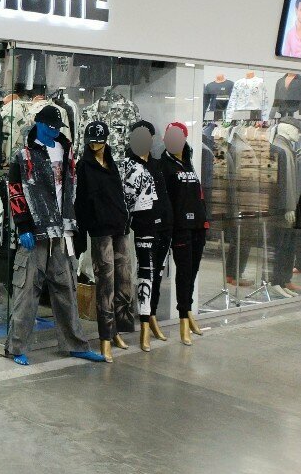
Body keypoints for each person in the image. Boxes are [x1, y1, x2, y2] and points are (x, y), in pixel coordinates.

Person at [6, 105, 106, 366]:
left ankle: (75, 344)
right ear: (39, 124)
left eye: (56, 127)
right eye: (50, 126)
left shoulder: (66, 150)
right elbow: (15, 190)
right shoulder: (23, 154)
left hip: (62, 231)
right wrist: (23, 226)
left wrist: (74, 224)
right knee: (26, 291)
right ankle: (16, 347)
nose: (54, 131)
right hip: (36, 231)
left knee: (66, 289)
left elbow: (72, 190)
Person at [75, 121, 133, 363]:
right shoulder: (83, 166)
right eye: (92, 141)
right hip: (99, 230)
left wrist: (125, 219)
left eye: (99, 141)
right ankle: (105, 338)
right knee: (105, 284)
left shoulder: (111, 164)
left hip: (119, 227)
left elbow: (118, 194)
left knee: (124, 280)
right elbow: (80, 202)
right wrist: (82, 233)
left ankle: (118, 330)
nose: (96, 145)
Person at [120, 121, 173, 351]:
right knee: (145, 275)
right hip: (143, 227)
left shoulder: (157, 163)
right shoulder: (127, 165)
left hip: (164, 225)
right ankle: (142, 323)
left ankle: (151, 316)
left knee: (158, 275)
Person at [161, 122, 208, 345]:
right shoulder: (164, 165)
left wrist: (203, 218)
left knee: (193, 272)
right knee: (184, 272)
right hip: (180, 228)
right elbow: (166, 200)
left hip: (198, 226)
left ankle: (188, 312)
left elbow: (197, 193)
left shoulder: (189, 161)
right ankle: (183, 318)